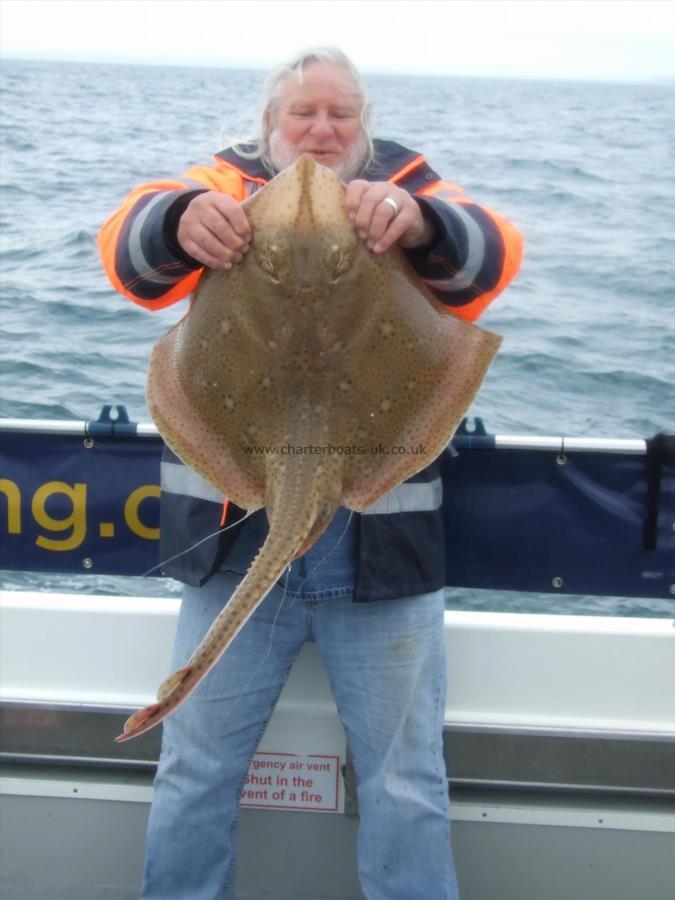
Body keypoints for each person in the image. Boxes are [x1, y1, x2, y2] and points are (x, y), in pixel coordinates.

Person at [99, 46, 522, 900]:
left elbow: (494, 258)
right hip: (233, 547)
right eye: (304, 113)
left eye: (342, 115)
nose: (323, 130)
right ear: (269, 125)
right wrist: (180, 220)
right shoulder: (216, 185)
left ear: (366, 127)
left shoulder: (409, 185)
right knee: (196, 768)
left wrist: (419, 222)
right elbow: (127, 253)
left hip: (385, 558)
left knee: (404, 781)